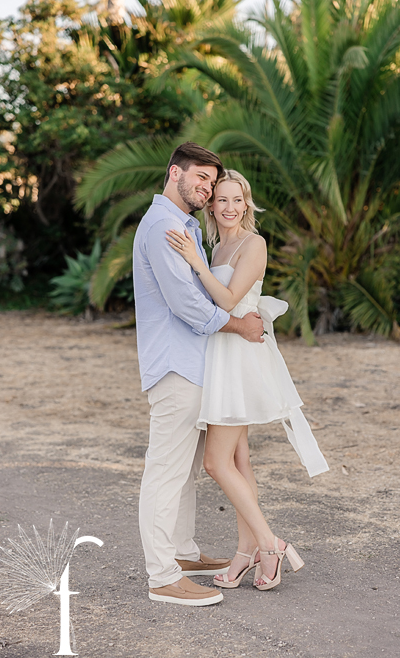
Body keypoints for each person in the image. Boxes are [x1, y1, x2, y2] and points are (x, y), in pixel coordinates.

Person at [166, 169, 329, 592]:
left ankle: (269, 543)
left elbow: (227, 300)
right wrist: (202, 259)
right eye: (222, 199)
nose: (230, 207)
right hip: (218, 356)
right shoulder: (219, 246)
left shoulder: (252, 244)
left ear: (248, 203)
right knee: (239, 462)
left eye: (238, 200)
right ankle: (244, 553)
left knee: (214, 463)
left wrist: (194, 262)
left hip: (239, 359)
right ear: (211, 204)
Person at [134, 142, 266, 606]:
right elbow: (187, 303)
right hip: (175, 363)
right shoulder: (164, 226)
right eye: (201, 179)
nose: (207, 189)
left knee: (187, 467)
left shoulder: (186, 226)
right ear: (174, 173)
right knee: (166, 470)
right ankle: (162, 576)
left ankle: (184, 552)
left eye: (212, 182)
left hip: (195, 361)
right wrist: (239, 326)